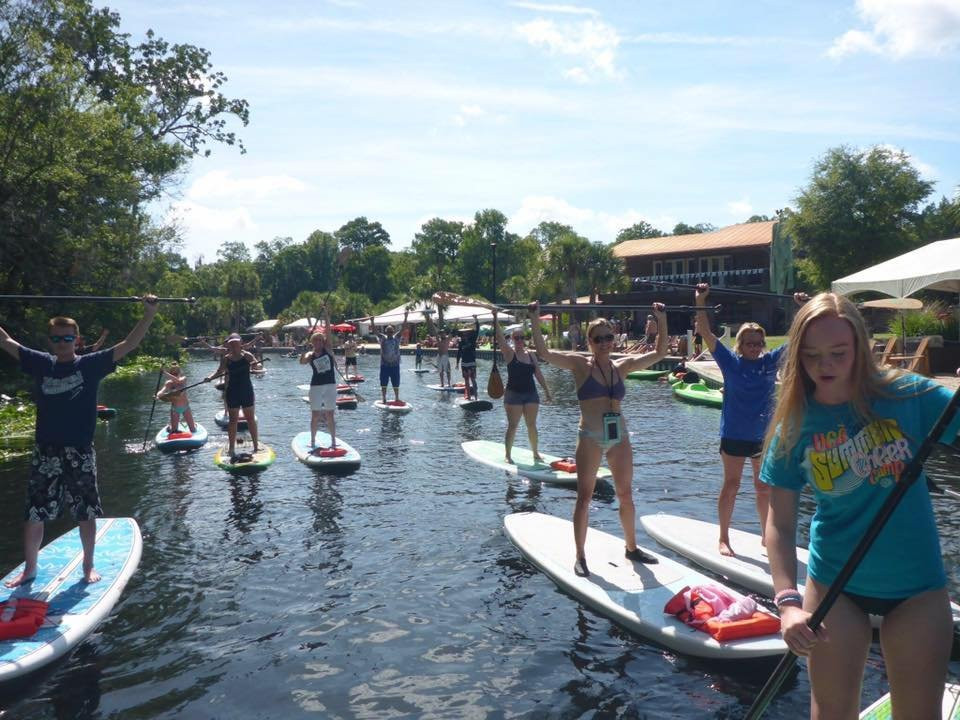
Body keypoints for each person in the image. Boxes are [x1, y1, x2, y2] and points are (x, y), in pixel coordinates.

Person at [761, 292, 960, 719]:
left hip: (917, 587)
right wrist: (787, 601)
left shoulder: (908, 395)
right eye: (812, 355)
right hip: (836, 585)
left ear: (860, 349)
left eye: (838, 353)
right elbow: (778, 520)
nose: (825, 365)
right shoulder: (794, 424)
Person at [0, 295, 159, 587]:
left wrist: (148, 314)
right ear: (50, 341)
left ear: (77, 340)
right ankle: (30, 569)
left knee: (85, 511)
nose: (62, 343)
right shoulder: (40, 363)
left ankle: (88, 566)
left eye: (68, 338)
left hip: (79, 451)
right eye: (57, 338)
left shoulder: (90, 365)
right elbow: (6, 340)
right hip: (45, 451)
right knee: (35, 511)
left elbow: (129, 344)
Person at [530, 300, 669, 577]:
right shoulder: (579, 365)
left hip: (619, 437)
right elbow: (544, 353)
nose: (605, 342)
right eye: (599, 339)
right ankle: (580, 556)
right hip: (590, 436)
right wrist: (533, 318)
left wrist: (661, 318)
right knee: (584, 497)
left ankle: (632, 547)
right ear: (590, 342)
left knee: (625, 495)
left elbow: (660, 352)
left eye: (609, 337)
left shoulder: (622, 366)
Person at [695, 283, 807, 556]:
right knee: (731, 485)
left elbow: (799, 336)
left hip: (763, 436)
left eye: (759, 343)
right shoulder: (730, 362)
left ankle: (766, 538)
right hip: (734, 434)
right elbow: (706, 332)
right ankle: (723, 538)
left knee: (763, 488)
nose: (755, 347)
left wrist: (801, 308)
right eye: (749, 343)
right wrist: (700, 300)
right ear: (740, 344)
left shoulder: (770, 362)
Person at [494, 315, 552, 464]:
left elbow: (538, 374)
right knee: (513, 426)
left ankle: (535, 453)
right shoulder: (509, 353)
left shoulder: (531, 355)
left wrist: (546, 391)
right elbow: (500, 338)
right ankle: (508, 455)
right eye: (516, 338)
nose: (519, 340)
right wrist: (495, 318)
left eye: (521, 337)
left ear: (525, 339)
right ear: (512, 339)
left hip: (531, 394)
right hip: (513, 395)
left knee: (531, 425)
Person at [205, 333, 260, 462]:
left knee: (250, 418)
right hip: (232, 391)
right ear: (229, 344)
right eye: (232, 343)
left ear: (240, 343)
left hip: (246, 391)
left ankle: (256, 447)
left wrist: (256, 366)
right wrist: (209, 378)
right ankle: (231, 449)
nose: (234, 345)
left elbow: (257, 365)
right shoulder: (226, 359)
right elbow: (219, 372)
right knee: (233, 420)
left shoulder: (247, 355)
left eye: (236, 342)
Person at [300, 313, 338, 450]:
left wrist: (327, 316)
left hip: (330, 385)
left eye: (320, 341)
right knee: (315, 414)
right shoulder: (310, 355)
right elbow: (302, 362)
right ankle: (312, 440)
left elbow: (328, 330)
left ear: (323, 342)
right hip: (316, 386)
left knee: (330, 414)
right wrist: (304, 353)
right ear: (312, 343)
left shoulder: (328, 349)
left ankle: (333, 441)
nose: (318, 343)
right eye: (315, 341)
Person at [368, 318, 404, 403]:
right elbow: (375, 331)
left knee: (396, 382)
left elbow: (403, 328)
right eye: (388, 331)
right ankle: (384, 398)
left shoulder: (397, 338)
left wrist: (405, 317)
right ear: (386, 332)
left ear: (393, 331)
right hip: (385, 365)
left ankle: (397, 398)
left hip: (395, 365)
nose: (390, 333)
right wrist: (372, 321)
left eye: (391, 331)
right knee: (383, 382)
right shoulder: (382, 338)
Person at [157, 363, 197, 434]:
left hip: (186, 407)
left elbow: (178, 380)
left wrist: (164, 372)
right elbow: (162, 391)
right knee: (174, 431)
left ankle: (193, 425)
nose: (174, 375)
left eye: (176, 373)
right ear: (170, 373)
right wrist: (157, 395)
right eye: (172, 374)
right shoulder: (168, 383)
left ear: (179, 373)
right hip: (175, 408)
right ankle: (170, 427)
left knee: (193, 430)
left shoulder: (183, 379)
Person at [456, 316, 480, 400]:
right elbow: (459, 353)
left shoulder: (472, 340)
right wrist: (457, 363)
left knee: (473, 379)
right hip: (464, 363)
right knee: (466, 380)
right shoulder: (461, 343)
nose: (465, 334)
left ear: (469, 333)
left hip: (471, 362)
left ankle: (476, 397)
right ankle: (469, 397)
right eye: (464, 333)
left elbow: (477, 330)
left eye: (467, 333)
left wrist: (476, 320)